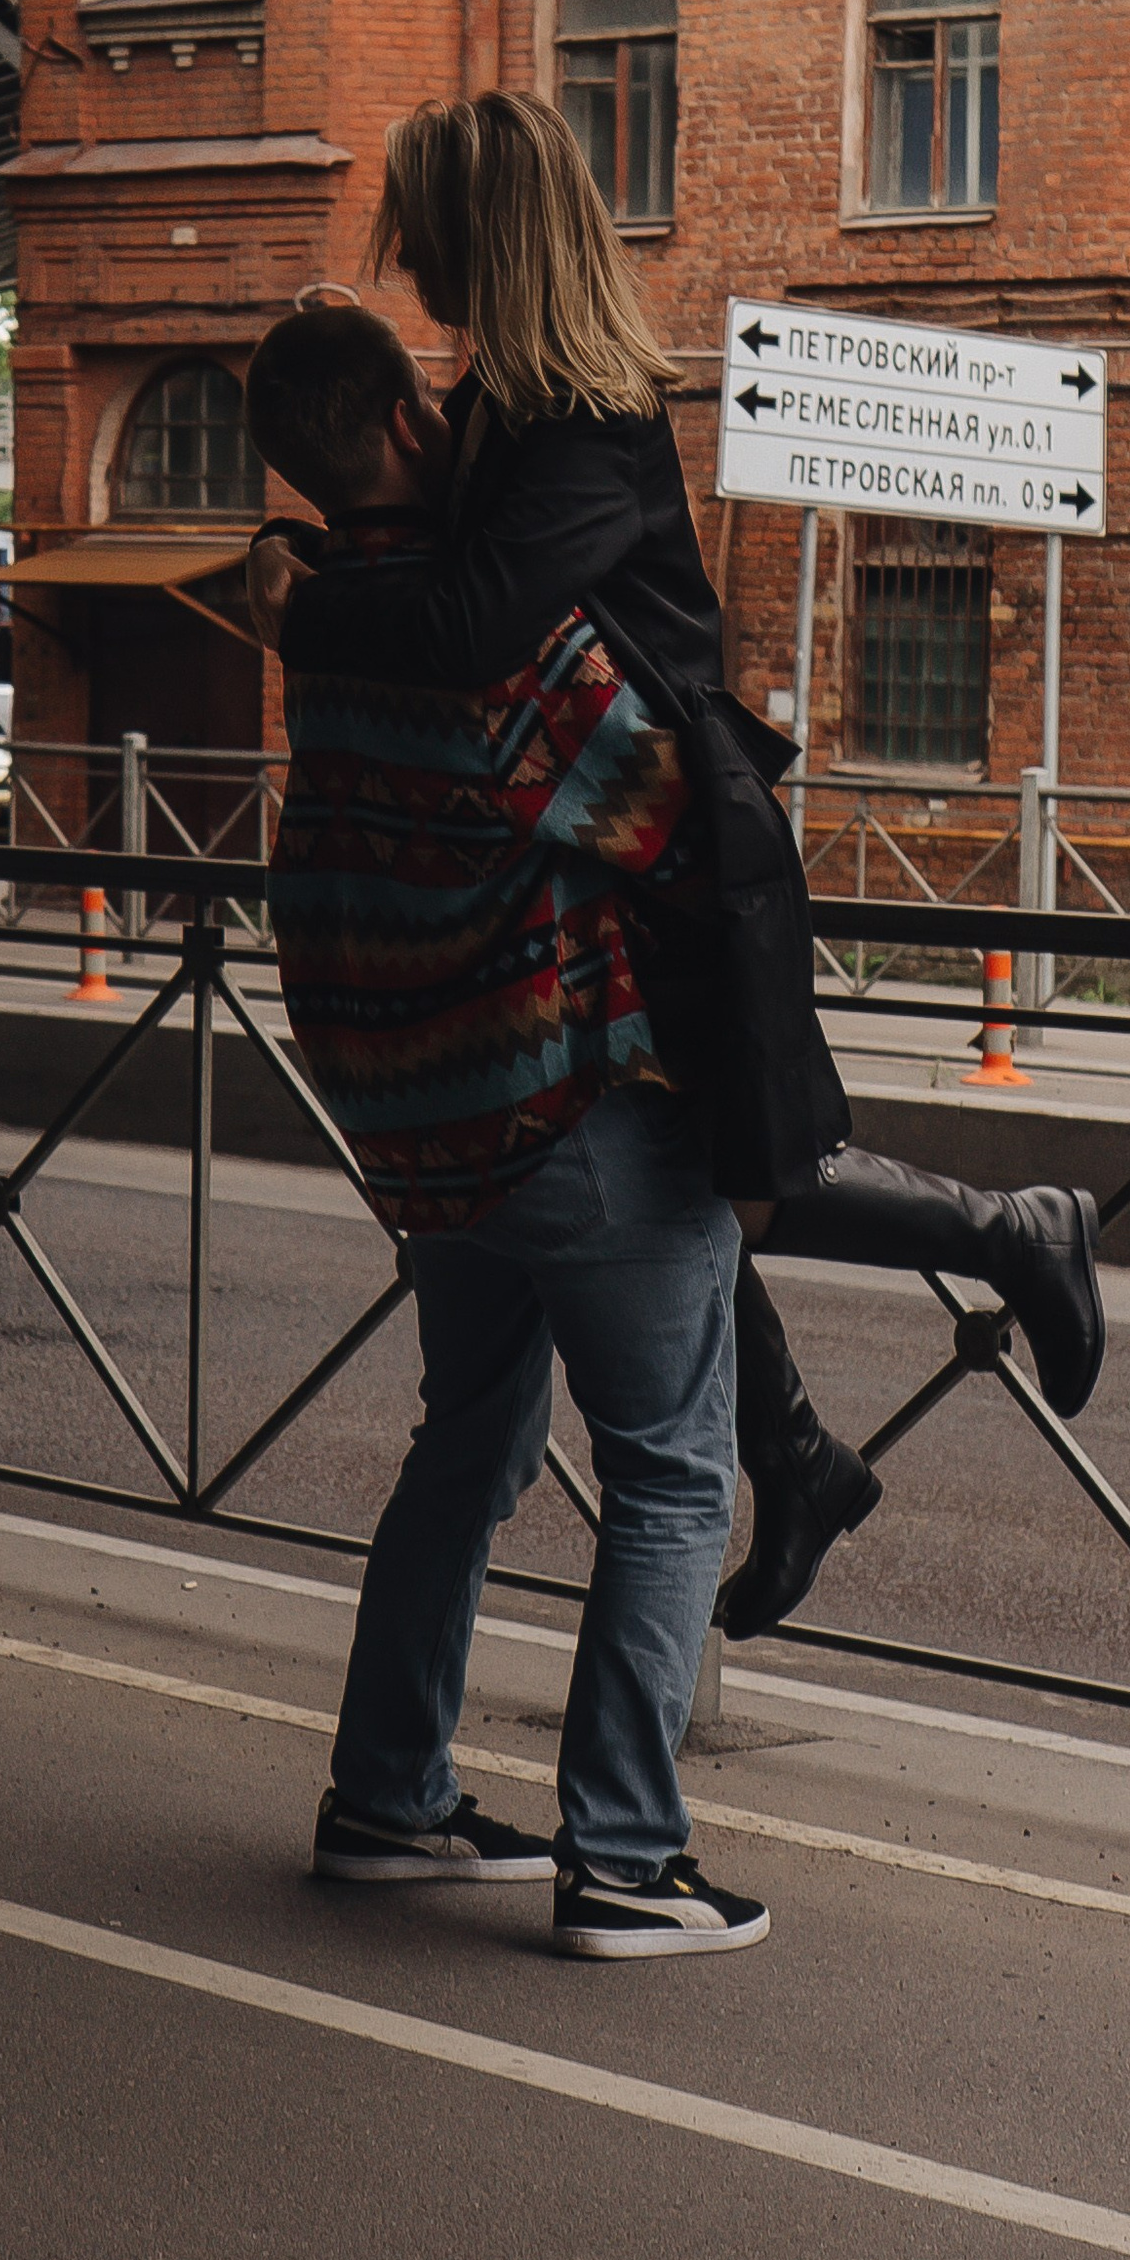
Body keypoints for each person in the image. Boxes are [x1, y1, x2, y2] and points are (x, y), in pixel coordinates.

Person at [249, 93, 1107, 1641]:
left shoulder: (579, 420)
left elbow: (461, 630)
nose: (409, 258)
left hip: (671, 854)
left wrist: (299, 605)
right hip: (609, 853)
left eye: (425, 230)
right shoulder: (510, 410)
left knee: (726, 1189)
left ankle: (994, 1250)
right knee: (688, 1198)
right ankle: (806, 1452)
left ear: (483, 232)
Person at [249, 297, 770, 1960]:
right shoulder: (497, 643)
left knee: (467, 1442)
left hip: (424, 1135)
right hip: (564, 1107)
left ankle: (387, 1800)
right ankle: (624, 1859)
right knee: (675, 1476)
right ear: (411, 419)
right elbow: (670, 809)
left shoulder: (326, 638)